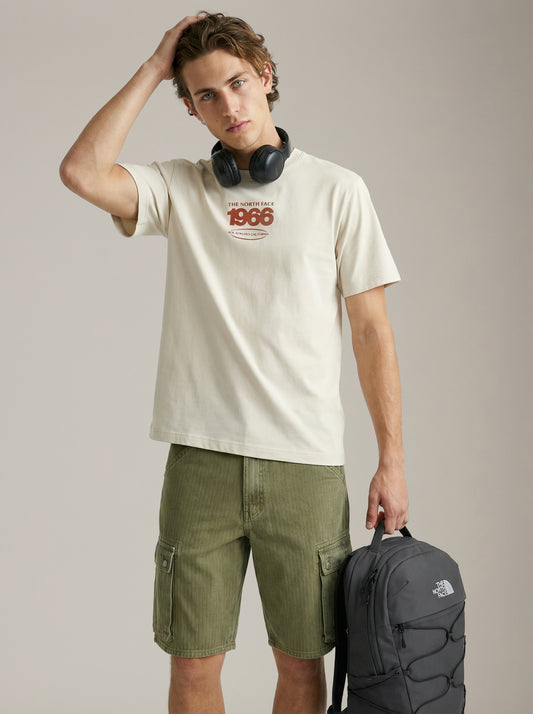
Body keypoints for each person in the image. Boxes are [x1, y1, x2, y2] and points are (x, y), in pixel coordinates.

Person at [60, 12, 409, 714]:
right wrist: (155, 67)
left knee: (301, 668)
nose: (229, 105)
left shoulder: (336, 190)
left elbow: (371, 331)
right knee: (192, 668)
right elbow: (81, 172)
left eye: (238, 83)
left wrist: (391, 459)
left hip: (304, 464)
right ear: (190, 108)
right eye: (206, 95)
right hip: (201, 461)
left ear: (266, 77)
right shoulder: (180, 188)